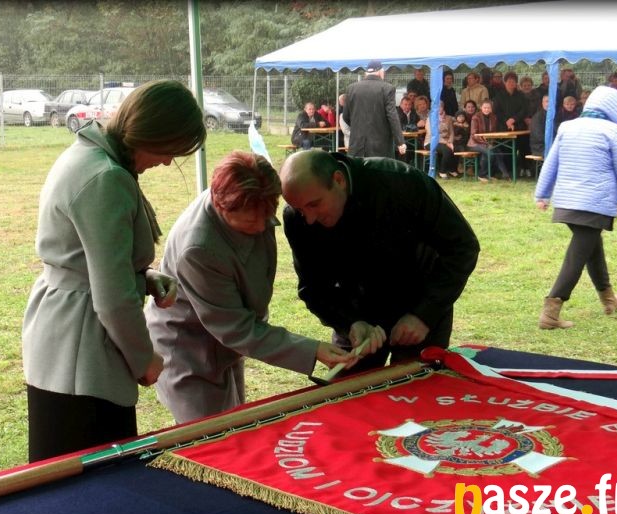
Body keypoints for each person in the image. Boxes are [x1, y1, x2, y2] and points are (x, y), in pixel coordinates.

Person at [21, 80, 207, 462]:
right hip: (82, 359)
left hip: (62, 344)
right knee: (92, 482)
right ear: (151, 133)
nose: (167, 162)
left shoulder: (87, 155)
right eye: (169, 149)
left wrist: (145, 277)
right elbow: (112, 298)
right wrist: (145, 359)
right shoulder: (107, 177)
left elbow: (90, 260)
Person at [144, 151, 360, 423]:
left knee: (236, 423)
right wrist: (312, 350)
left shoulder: (252, 201)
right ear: (221, 205)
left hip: (225, 344)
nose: (261, 227)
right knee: (212, 435)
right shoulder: (198, 249)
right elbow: (237, 328)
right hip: (188, 350)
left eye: (267, 216)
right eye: (250, 222)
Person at [279, 150, 479, 375]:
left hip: (420, 300)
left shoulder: (401, 183)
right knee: (347, 390)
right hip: (357, 313)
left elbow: (462, 247)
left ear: (339, 180)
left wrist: (424, 314)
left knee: (415, 387)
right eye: (299, 209)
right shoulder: (297, 218)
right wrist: (349, 323)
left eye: (315, 204)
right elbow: (313, 287)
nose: (309, 219)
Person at [534, 86, 617, 329]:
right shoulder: (614, 132)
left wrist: (542, 193)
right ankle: (551, 312)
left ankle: (609, 299)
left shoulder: (568, 127)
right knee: (577, 255)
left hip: (567, 201)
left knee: (592, 248)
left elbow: (551, 161)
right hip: (595, 203)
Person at [343, 60, 407, 158]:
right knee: (379, 169)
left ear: (366, 73)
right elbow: (392, 116)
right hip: (380, 147)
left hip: (356, 145)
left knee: (357, 168)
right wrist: (400, 142)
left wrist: (358, 128)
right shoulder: (387, 88)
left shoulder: (351, 88)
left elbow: (345, 116)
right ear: (381, 72)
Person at [493, 71, 531, 175]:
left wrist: (513, 119)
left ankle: (525, 168)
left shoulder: (521, 95)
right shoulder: (499, 95)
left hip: (519, 125)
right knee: (506, 148)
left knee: (524, 145)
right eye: (509, 81)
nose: (511, 83)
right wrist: (507, 121)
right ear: (505, 82)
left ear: (516, 83)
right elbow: (496, 111)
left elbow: (524, 110)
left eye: (513, 81)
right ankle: (508, 170)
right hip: (503, 126)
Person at [467, 99, 509, 181]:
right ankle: (481, 175)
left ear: (491, 109)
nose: (486, 109)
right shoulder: (476, 117)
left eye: (488, 108)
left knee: (499, 153)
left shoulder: (494, 117)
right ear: (481, 108)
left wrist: (491, 141)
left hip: (488, 143)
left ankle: (497, 174)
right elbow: (474, 134)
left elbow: (494, 132)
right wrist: (486, 143)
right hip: (474, 143)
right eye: (485, 108)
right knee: (490, 153)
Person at [424, 105, 458, 178]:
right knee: (447, 150)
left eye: (440, 107)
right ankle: (442, 171)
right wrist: (446, 143)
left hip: (446, 141)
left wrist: (450, 142)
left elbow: (451, 132)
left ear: (443, 108)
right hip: (431, 142)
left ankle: (452, 169)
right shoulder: (430, 118)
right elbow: (432, 134)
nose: (439, 109)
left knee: (456, 148)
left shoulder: (448, 118)